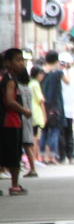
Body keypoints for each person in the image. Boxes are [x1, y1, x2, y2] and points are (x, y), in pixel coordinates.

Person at [1, 49, 32, 195]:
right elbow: (9, 101)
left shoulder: (7, 78)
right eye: (18, 60)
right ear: (8, 63)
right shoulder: (10, 80)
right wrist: (24, 110)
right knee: (13, 155)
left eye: (22, 60)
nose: (21, 63)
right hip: (10, 121)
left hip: (8, 121)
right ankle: (14, 185)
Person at [40, 50, 68, 165]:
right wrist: (64, 69)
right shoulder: (58, 73)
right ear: (56, 60)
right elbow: (68, 82)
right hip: (55, 106)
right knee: (55, 131)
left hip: (42, 105)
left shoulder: (41, 72)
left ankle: (42, 156)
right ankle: (51, 156)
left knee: (44, 131)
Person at [16, 68, 38, 176]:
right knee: (27, 144)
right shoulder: (28, 88)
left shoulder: (18, 88)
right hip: (28, 117)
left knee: (21, 144)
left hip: (21, 117)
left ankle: (14, 167)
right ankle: (32, 168)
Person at [58, 52, 74, 165]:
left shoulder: (60, 74)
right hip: (70, 109)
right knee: (69, 132)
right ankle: (70, 156)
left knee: (62, 133)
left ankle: (62, 156)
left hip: (61, 108)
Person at [28, 67, 46, 170]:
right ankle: (34, 159)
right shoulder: (35, 84)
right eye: (41, 74)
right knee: (36, 138)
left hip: (30, 113)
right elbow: (41, 101)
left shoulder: (30, 83)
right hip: (37, 114)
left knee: (33, 137)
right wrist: (44, 115)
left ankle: (35, 159)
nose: (42, 76)